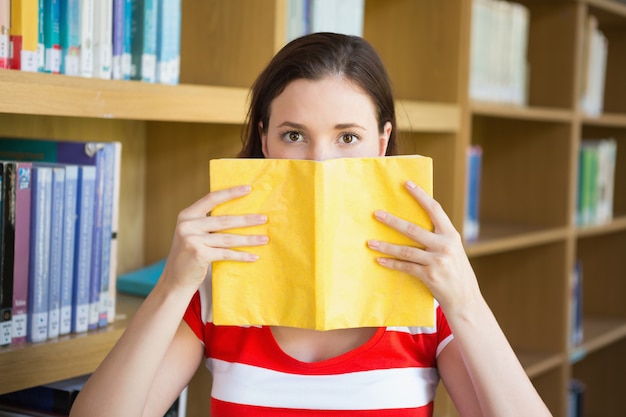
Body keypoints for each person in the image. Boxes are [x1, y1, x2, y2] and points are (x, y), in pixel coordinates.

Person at [70, 33, 551, 417]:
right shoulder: (220, 288)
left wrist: (466, 302)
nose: (320, 163)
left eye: (348, 136)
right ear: (264, 140)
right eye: (294, 135)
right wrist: (171, 289)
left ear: (382, 143)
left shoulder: (426, 296)